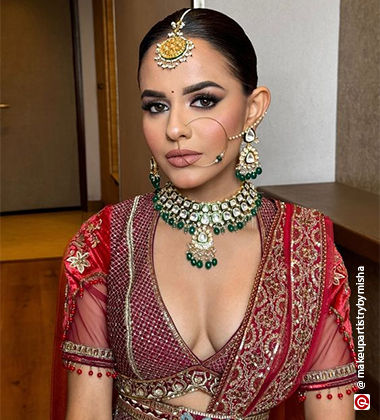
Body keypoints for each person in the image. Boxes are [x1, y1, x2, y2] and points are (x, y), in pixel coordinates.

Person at [58, 8, 358, 420]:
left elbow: (336, 405)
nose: (175, 128)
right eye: (156, 106)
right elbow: (87, 411)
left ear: (253, 108)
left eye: (203, 100)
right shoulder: (105, 241)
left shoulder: (306, 248)